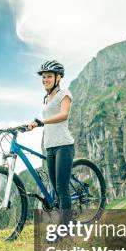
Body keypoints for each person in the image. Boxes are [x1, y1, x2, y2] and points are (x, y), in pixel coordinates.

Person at [28, 60, 75, 225]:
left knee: (62, 189)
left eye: (48, 76)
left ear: (59, 77)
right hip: (50, 146)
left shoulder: (65, 94)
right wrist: (34, 124)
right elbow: (47, 118)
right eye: (43, 77)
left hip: (63, 145)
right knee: (55, 188)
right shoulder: (47, 98)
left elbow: (64, 115)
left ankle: (66, 228)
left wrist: (43, 121)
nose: (45, 80)